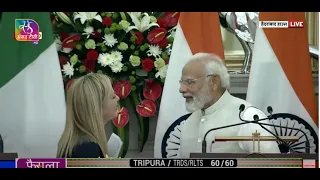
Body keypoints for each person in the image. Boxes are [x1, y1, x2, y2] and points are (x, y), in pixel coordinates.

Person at [179, 53, 280, 158]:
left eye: (189, 82)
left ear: (214, 82)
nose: (181, 89)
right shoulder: (189, 122)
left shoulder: (248, 118)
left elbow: (273, 165)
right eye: (181, 82)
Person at [56, 73, 119, 158]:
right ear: (96, 106)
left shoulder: (80, 144)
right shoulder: (86, 149)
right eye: (113, 96)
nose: (118, 98)